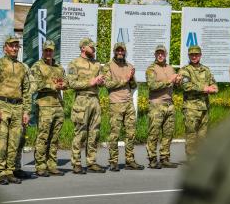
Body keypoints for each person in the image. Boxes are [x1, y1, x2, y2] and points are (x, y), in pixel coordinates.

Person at [0, 35, 31, 185]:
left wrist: (26, 111)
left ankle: (10, 171)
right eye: (11, 45)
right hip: (2, 106)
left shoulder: (22, 67)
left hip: (18, 107)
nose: (14, 48)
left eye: (16, 46)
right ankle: (1, 173)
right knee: (1, 141)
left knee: (14, 141)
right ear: (5, 47)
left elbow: (26, 90)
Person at [102, 42, 144, 172]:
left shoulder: (129, 66)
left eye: (122, 51)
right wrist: (124, 80)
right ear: (114, 52)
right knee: (114, 134)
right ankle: (113, 161)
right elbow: (107, 84)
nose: (120, 53)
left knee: (131, 134)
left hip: (128, 103)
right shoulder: (108, 66)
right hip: (116, 103)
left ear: (125, 52)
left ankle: (129, 160)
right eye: (118, 51)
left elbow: (133, 86)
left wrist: (131, 79)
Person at [67, 37, 106, 174]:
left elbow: (101, 80)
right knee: (80, 133)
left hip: (95, 99)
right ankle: (76, 163)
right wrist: (90, 82)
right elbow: (71, 84)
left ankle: (91, 162)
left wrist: (101, 81)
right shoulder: (74, 63)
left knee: (94, 133)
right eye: (91, 47)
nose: (94, 49)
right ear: (83, 48)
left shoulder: (97, 64)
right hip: (82, 100)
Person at [31, 40, 67, 177]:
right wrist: (53, 86)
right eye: (46, 50)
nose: (48, 53)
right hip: (44, 105)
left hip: (58, 105)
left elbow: (66, 80)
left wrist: (63, 84)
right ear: (42, 51)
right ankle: (40, 166)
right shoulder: (37, 66)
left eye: (50, 50)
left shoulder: (58, 67)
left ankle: (52, 165)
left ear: (53, 51)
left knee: (54, 138)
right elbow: (36, 84)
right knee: (43, 137)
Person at [178, 45, 218, 160]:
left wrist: (214, 88)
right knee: (191, 135)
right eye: (192, 55)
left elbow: (213, 83)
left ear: (200, 55)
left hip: (204, 107)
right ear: (189, 56)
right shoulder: (185, 70)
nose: (194, 57)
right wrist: (205, 88)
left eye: (196, 54)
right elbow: (186, 85)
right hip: (191, 108)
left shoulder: (206, 70)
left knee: (203, 135)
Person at [145, 45, 180, 169]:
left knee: (168, 133)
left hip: (169, 104)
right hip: (156, 104)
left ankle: (165, 158)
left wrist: (177, 81)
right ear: (155, 55)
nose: (160, 55)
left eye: (162, 53)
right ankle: (152, 159)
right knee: (153, 133)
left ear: (166, 54)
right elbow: (152, 86)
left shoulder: (170, 68)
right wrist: (169, 80)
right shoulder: (151, 69)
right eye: (158, 53)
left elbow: (174, 84)